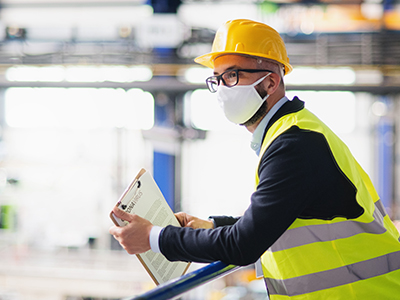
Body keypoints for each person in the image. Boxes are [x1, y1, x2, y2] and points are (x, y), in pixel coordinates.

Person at [110, 19, 400, 299]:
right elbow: (275, 221)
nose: (223, 89)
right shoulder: (290, 134)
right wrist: (210, 227)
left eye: (233, 76)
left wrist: (154, 238)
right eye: (217, 79)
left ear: (271, 82)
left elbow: (244, 245)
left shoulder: (294, 144)